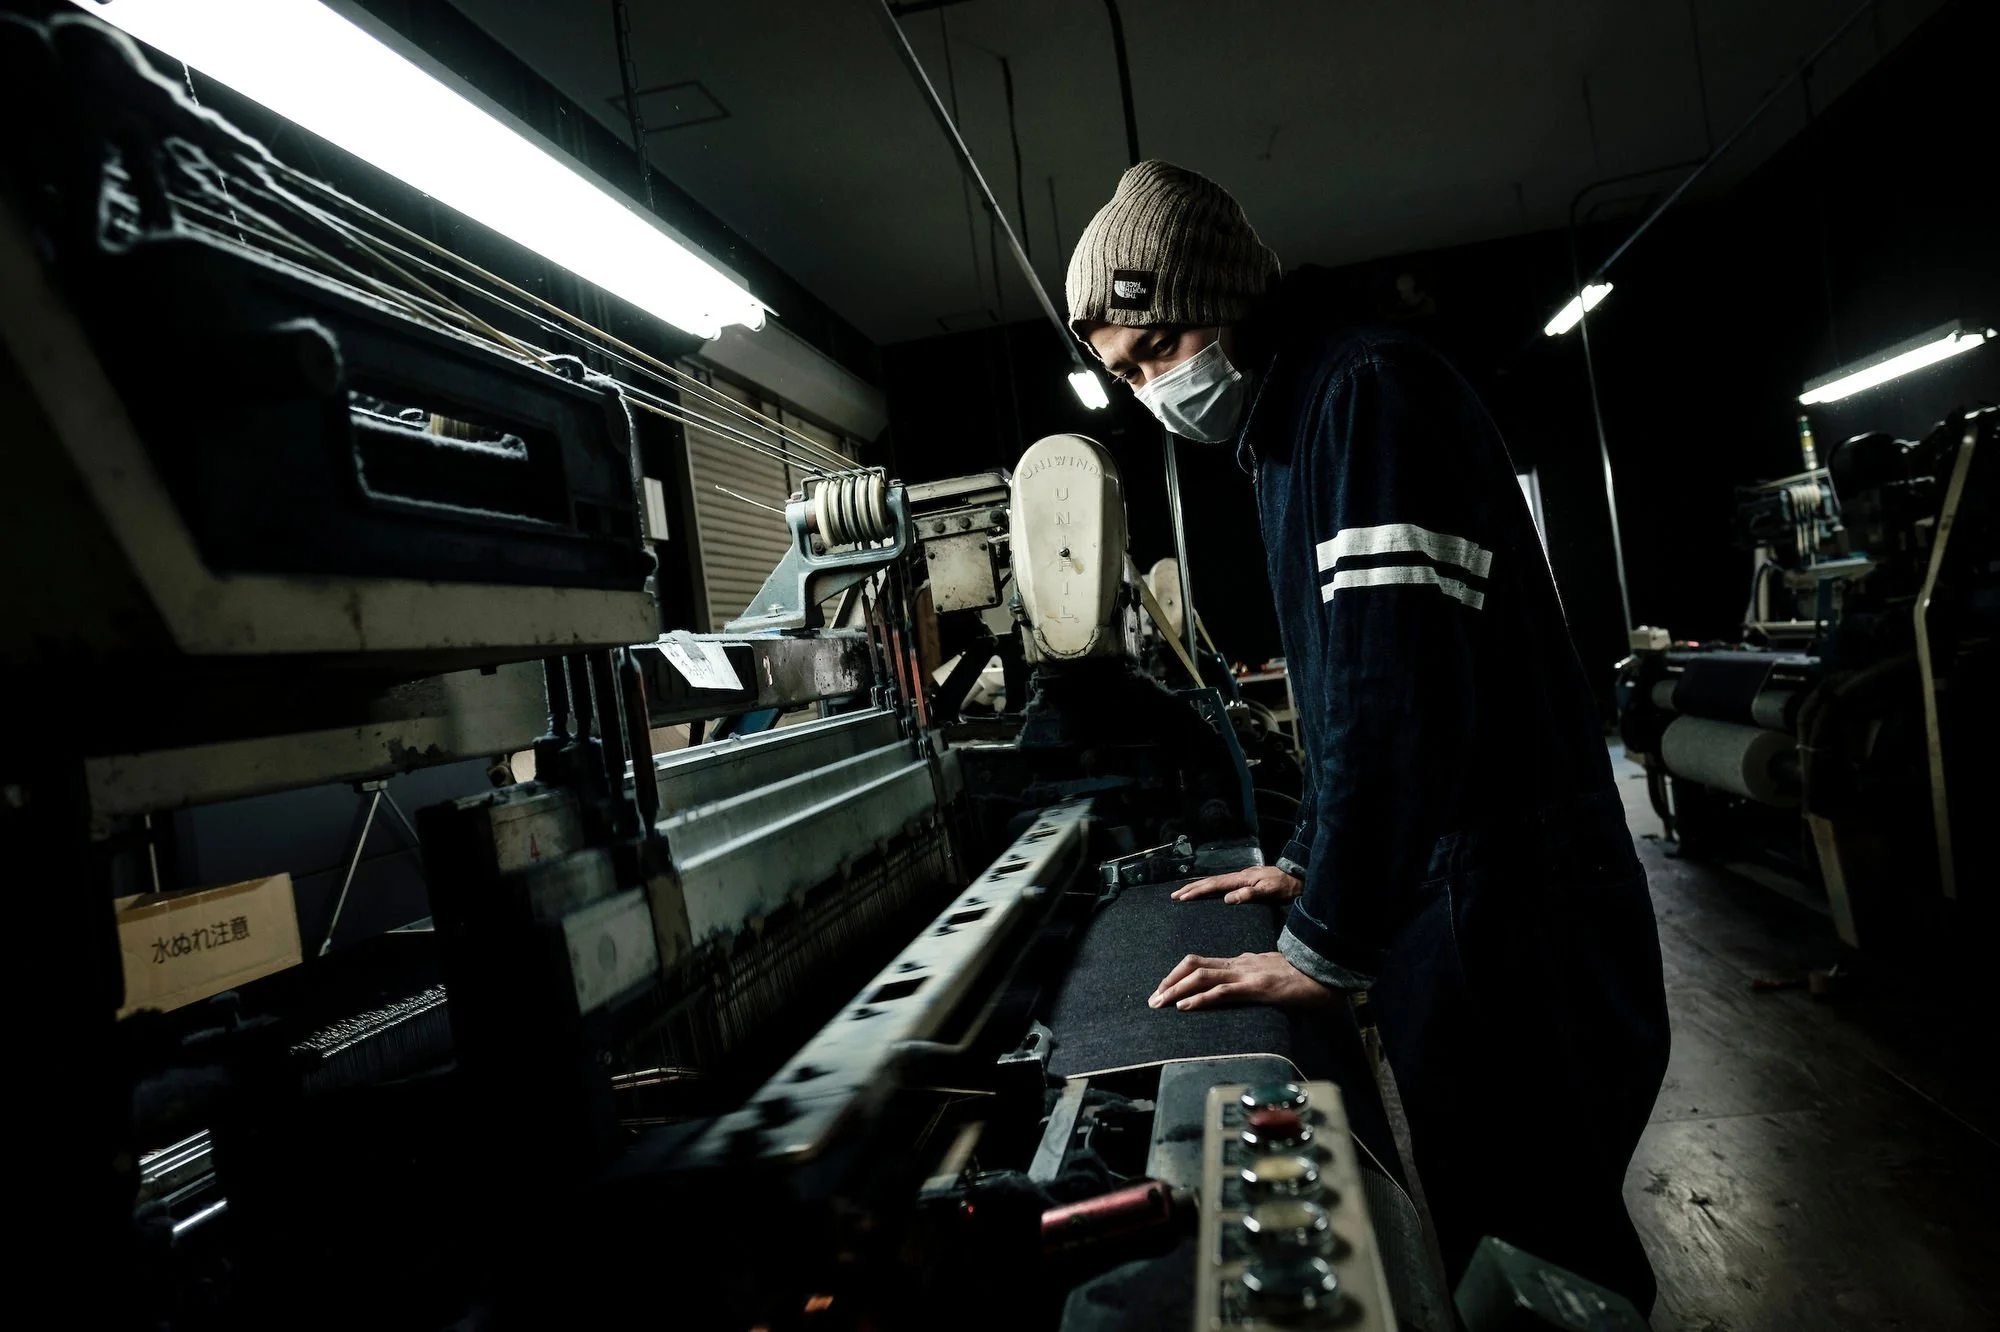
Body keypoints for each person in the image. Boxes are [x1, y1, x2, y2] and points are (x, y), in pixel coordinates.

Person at [1063, 160, 1671, 1309]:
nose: (1152, 389)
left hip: (1505, 900)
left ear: (1224, 295)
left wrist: (1316, 943)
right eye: (1124, 373)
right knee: (1495, 1227)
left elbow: (1400, 692)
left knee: (1540, 1241)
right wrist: (1308, 863)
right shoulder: (1295, 425)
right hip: (1460, 885)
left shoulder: (1365, 393)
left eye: (1156, 350)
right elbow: (1354, 693)